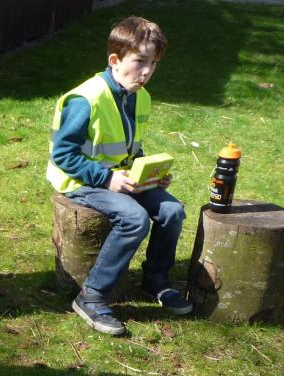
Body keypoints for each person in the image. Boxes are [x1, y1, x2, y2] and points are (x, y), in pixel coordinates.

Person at [46, 16, 192, 336]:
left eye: (153, 63)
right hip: (80, 181)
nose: (147, 72)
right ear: (115, 60)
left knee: (172, 210)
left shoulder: (140, 96)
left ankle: (155, 281)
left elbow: (128, 149)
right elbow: (63, 156)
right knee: (134, 218)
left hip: (119, 176)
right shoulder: (85, 99)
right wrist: (107, 179)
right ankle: (92, 296)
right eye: (140, 61)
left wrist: (149, 175)